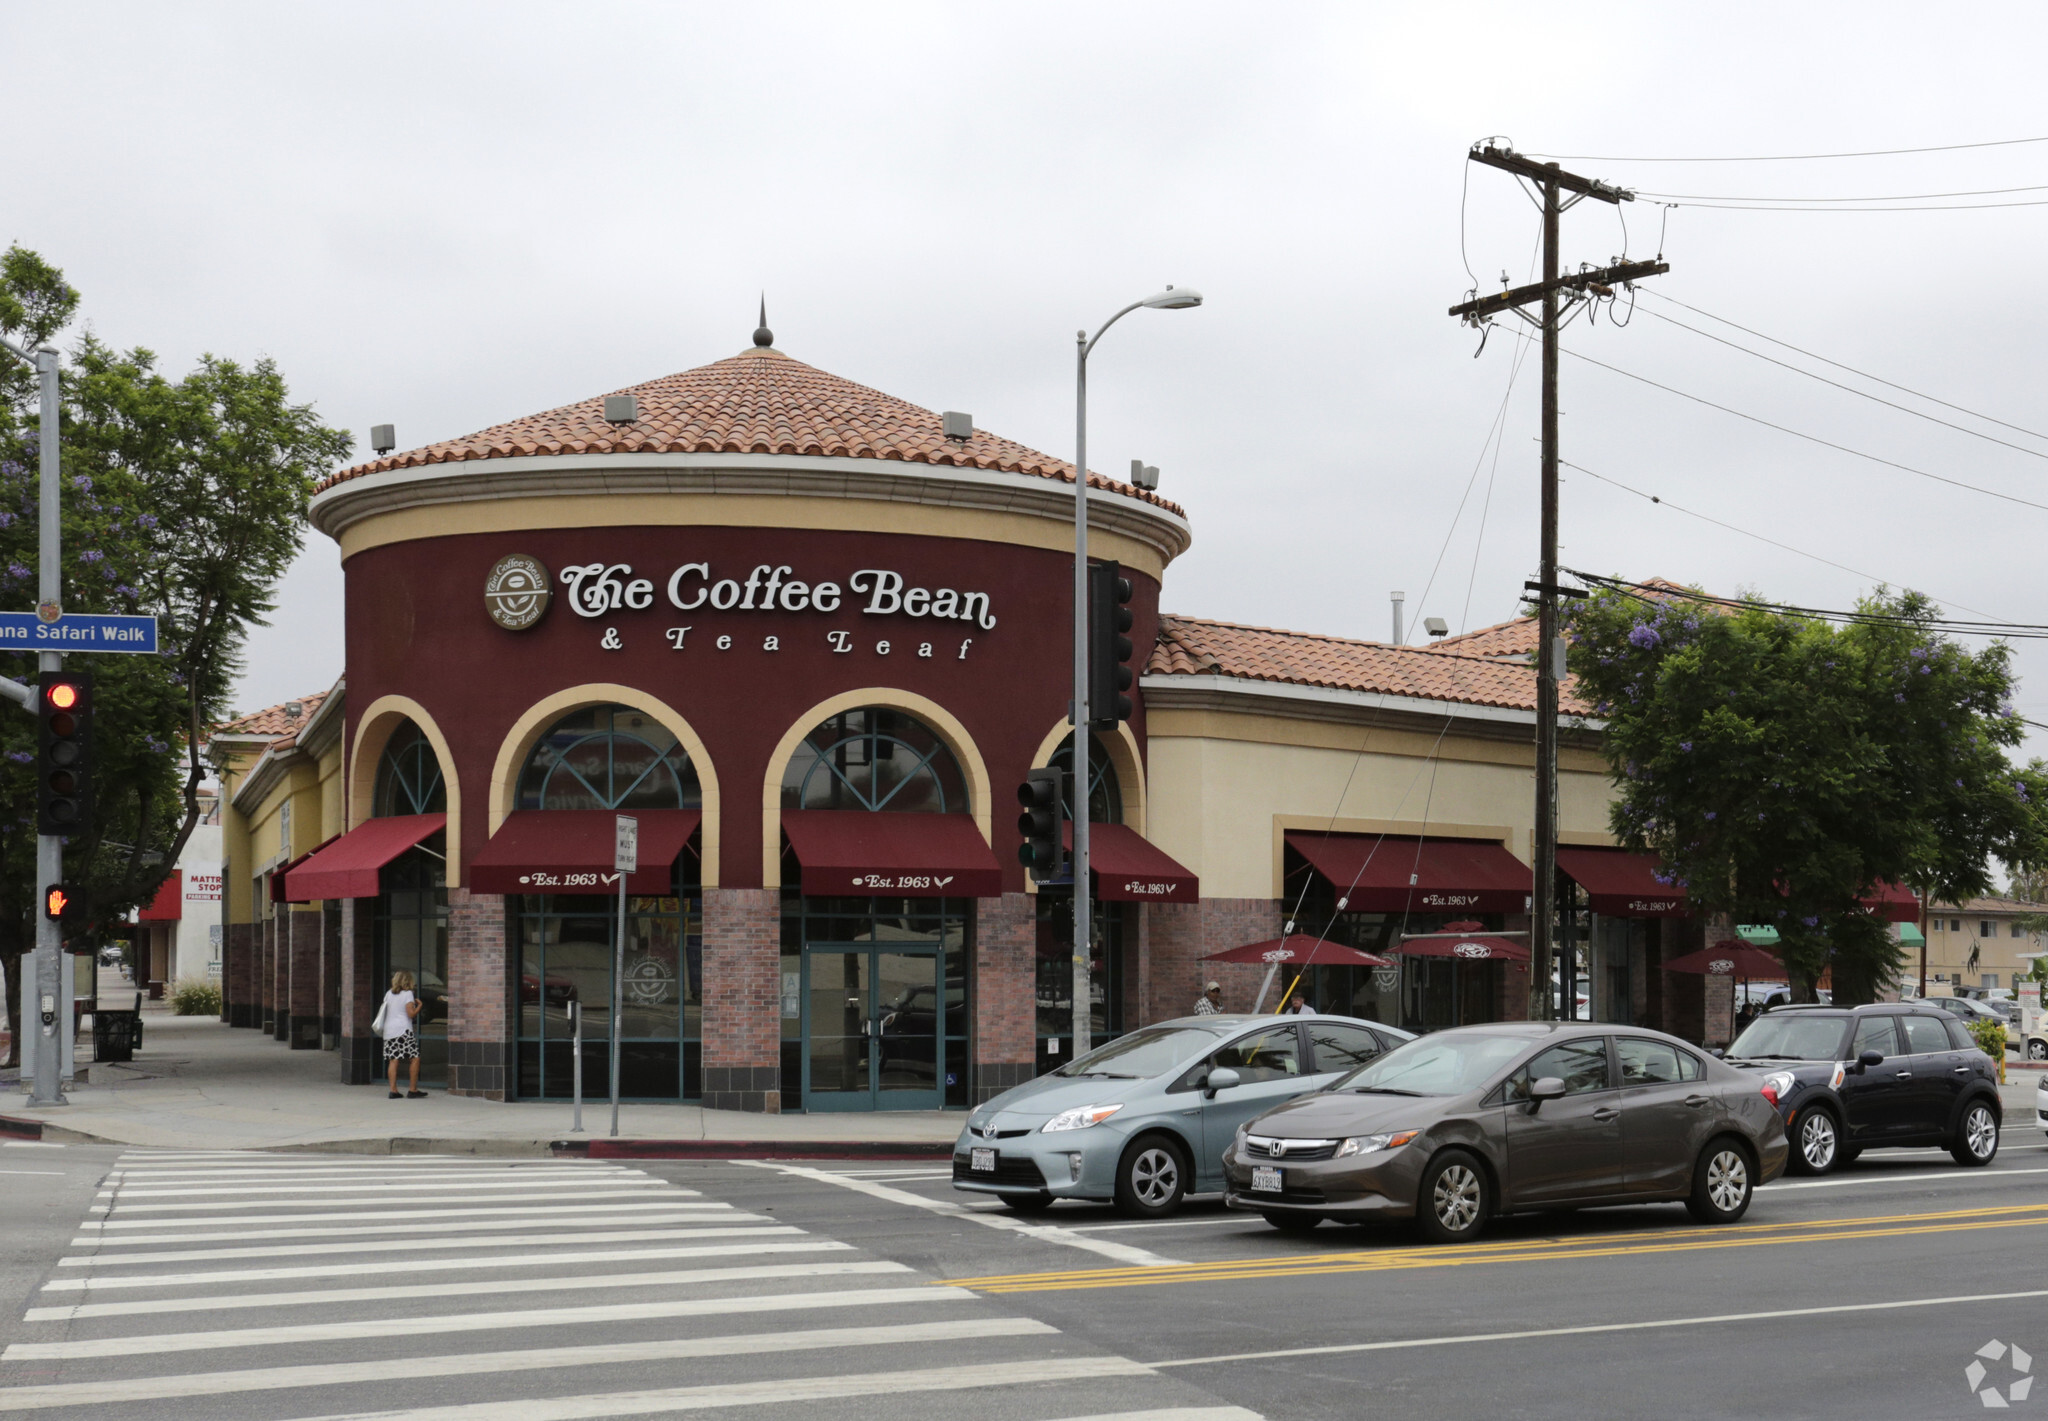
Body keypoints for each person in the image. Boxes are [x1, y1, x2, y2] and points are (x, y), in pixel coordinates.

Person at [377, 970, 426, 1099]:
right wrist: (419, 1006)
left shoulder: (389, 994)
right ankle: (413, 1090)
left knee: (393, 1060)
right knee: (415, 1058)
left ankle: (393, 1091)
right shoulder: (408, 994)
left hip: (389, 1030)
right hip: (403, 1031)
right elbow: (410, 1014)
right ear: (408, 981)